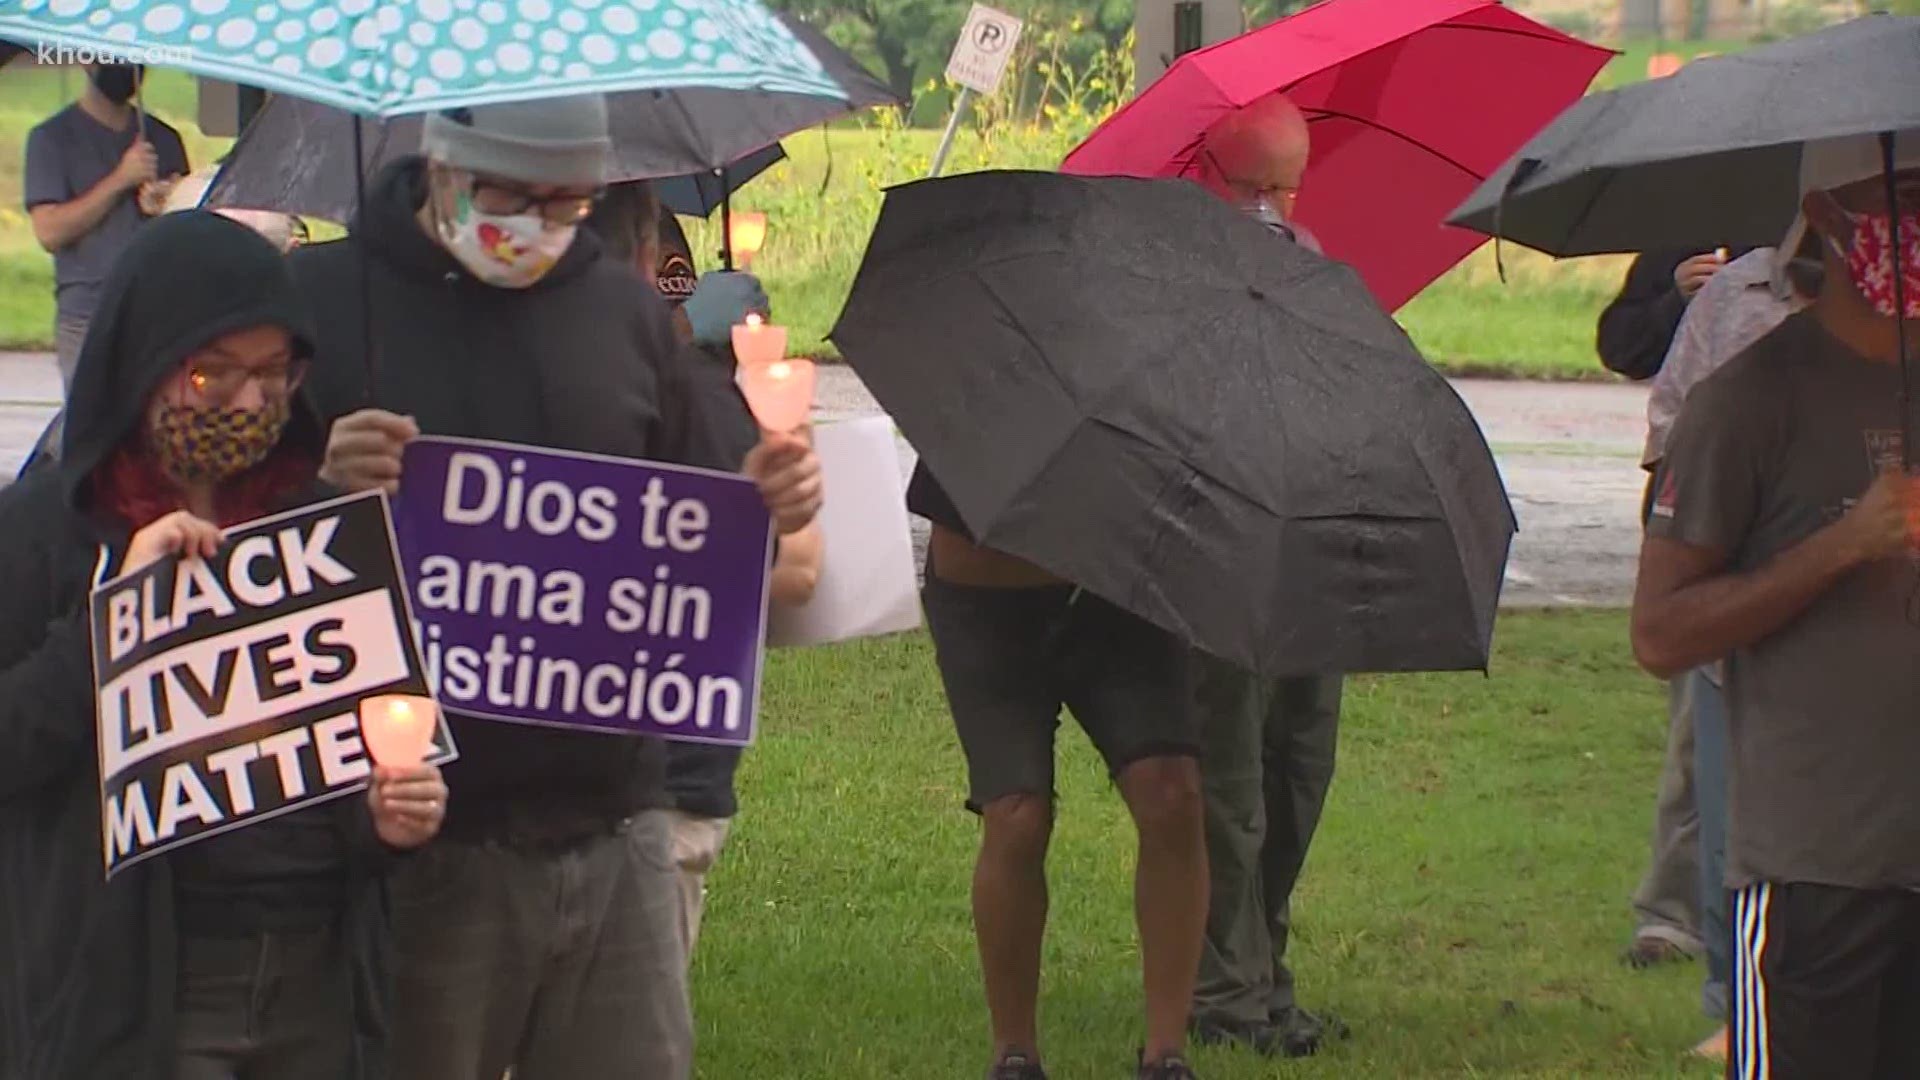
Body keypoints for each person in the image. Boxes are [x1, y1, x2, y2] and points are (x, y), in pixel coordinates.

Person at [292, 96, 823, 1080]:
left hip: (617, 821)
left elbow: (711, 517)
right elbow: (233, 560)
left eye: (569, 204)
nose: (536, 225)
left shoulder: (620, 310)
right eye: (513, 197)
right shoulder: (324, 305)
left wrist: (775, 492)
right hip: (427, 840)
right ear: (442, 169)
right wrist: (321, 486)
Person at [0, 210, 447, 1079]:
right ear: (142, 367)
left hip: (314, 974)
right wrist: (113, 623)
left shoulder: (320, 530)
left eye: (275, 374)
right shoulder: (45, 531)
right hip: (130, 990)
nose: (248, 402)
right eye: (214, 375)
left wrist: (389, 817)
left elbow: (359, 743)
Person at [1631, 131, 1920, 1080]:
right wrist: (1844, 544)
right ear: (1832, 221)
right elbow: (1662, 633)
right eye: (1906, 199)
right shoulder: (1748, 403)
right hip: (1818, 869)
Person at [585, 179, 827, 957]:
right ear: (651, 258)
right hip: (664, 782)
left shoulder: (480, 380)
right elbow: (790, 581)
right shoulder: (695, 399)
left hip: (511, 787)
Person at [1181, 92, 1347, 1059]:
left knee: (1291, 772)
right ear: (1216, 180)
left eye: (1277, 189)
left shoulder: (1318, 274)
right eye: (1254, 188)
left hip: (1307, 558)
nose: (1267, 208)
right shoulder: (1181, 272)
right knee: (1233, 783)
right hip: (1223, 562)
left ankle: (1264, 969)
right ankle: (1228, 989)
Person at [1640, 242, 1817, 1062]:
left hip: (1863, 620)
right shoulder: (1736, 293)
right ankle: (1734, 1000)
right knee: (1725, 809)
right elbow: (1671, 420)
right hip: (1737, 598)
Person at [24, 62, 189, 394]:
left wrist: (168, 203)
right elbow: (49, 232)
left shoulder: (163, 139)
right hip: (87, 316)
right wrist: (120, 180)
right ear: (87, 60)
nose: (127, 69)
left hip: (154, 312)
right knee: (91, 427)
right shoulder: (51, 139)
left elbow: (186, 232)